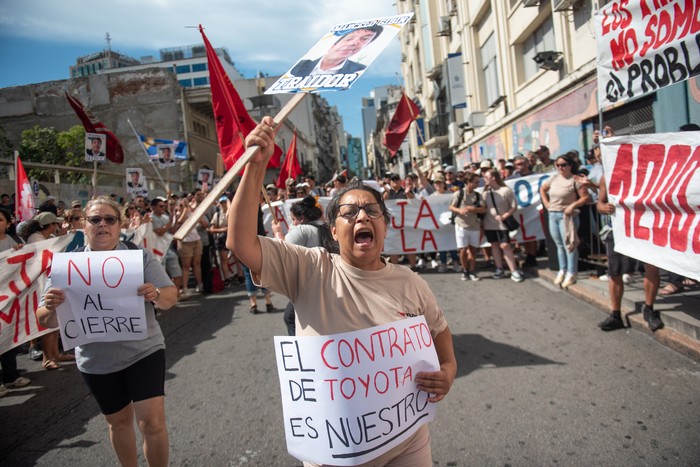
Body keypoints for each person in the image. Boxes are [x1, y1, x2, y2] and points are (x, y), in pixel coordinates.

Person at [228, 117, 456, 465]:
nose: (362, 217)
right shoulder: (309, 268)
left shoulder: (412, 282)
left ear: (384, 224)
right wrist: (255, 168)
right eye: (349, 213)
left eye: (372, 211)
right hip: (335, 452)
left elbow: (439, 333)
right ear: (333, 231)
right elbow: (240, 243)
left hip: (408, 442)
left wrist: (449, 372)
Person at [36, 195, 177, 467]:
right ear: (83, 225)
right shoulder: (67, 266)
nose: (103, 225)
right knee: (118, 422)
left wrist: (156, 293)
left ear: (120, 224)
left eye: (110, 219)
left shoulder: (139, 257)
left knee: (152, 422)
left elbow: (170, 298)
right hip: (96, 359)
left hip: (143, 350)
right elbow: (45, 320)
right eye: (95, 219)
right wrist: (51, 307)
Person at [596, 175, 663, 332]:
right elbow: (600, 203)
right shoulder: (607, 175)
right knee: (615, 272)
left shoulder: (646, 169)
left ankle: (649, 309)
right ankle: (616, 314)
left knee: (651, 268)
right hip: (618, 229)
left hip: (645, 226)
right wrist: (603, 207)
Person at [271, 195, 338, 335]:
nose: (293, 223)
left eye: (294, 219)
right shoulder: (326, 227)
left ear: (301, 218)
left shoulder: (302, 230)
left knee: (291, 317)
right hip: (333, 282)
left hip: (311, 285)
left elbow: (283, 253)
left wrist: (277, 233)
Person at [540, 154, 591, 288]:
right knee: (559, 245)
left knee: (570, 244)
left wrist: (572, 206)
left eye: (563, 165)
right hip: (553, 214)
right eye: (558, 165)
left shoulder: (575, 180)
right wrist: (546, 203)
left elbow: (585, 197)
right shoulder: (553, 179)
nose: (560, 167)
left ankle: (572, 271)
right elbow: (542, 189)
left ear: (570, 166)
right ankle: (562, 269)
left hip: (567, 216)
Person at [0, 208, 31, 398]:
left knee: (7, 338)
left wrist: (22, 252)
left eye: (0, 219)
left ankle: (11, 376)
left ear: (8, 223)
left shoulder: (15, 242)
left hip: (10, 298)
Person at [289, 25, 383, 77]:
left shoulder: (358, 70)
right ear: (333, 44)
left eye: (364, 39)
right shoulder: (299, 67)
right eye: (349, 38)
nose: (354, 43)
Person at [482, 168, 524, 282]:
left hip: (502, 224)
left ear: (493, 177)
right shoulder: (485, 193)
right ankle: (499, 269)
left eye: (486, 177)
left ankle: (513, 270)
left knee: (505, 246)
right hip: (489, 224)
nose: (484, 179)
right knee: (494, 246)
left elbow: (513, 206)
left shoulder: (506, 190)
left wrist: (504, 216)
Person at [449, 173, 485, 281]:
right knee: (463, 250)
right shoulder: (459, 194)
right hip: (461, 225)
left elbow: (483, 209)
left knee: (473, 250)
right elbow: (451, 207)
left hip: (474, 225)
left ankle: (472, 271)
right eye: (475, 182)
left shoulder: (478, 195)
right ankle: (465, 270)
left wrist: (473, 209)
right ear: (468, 182)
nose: (477, 184)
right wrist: (460, 210)